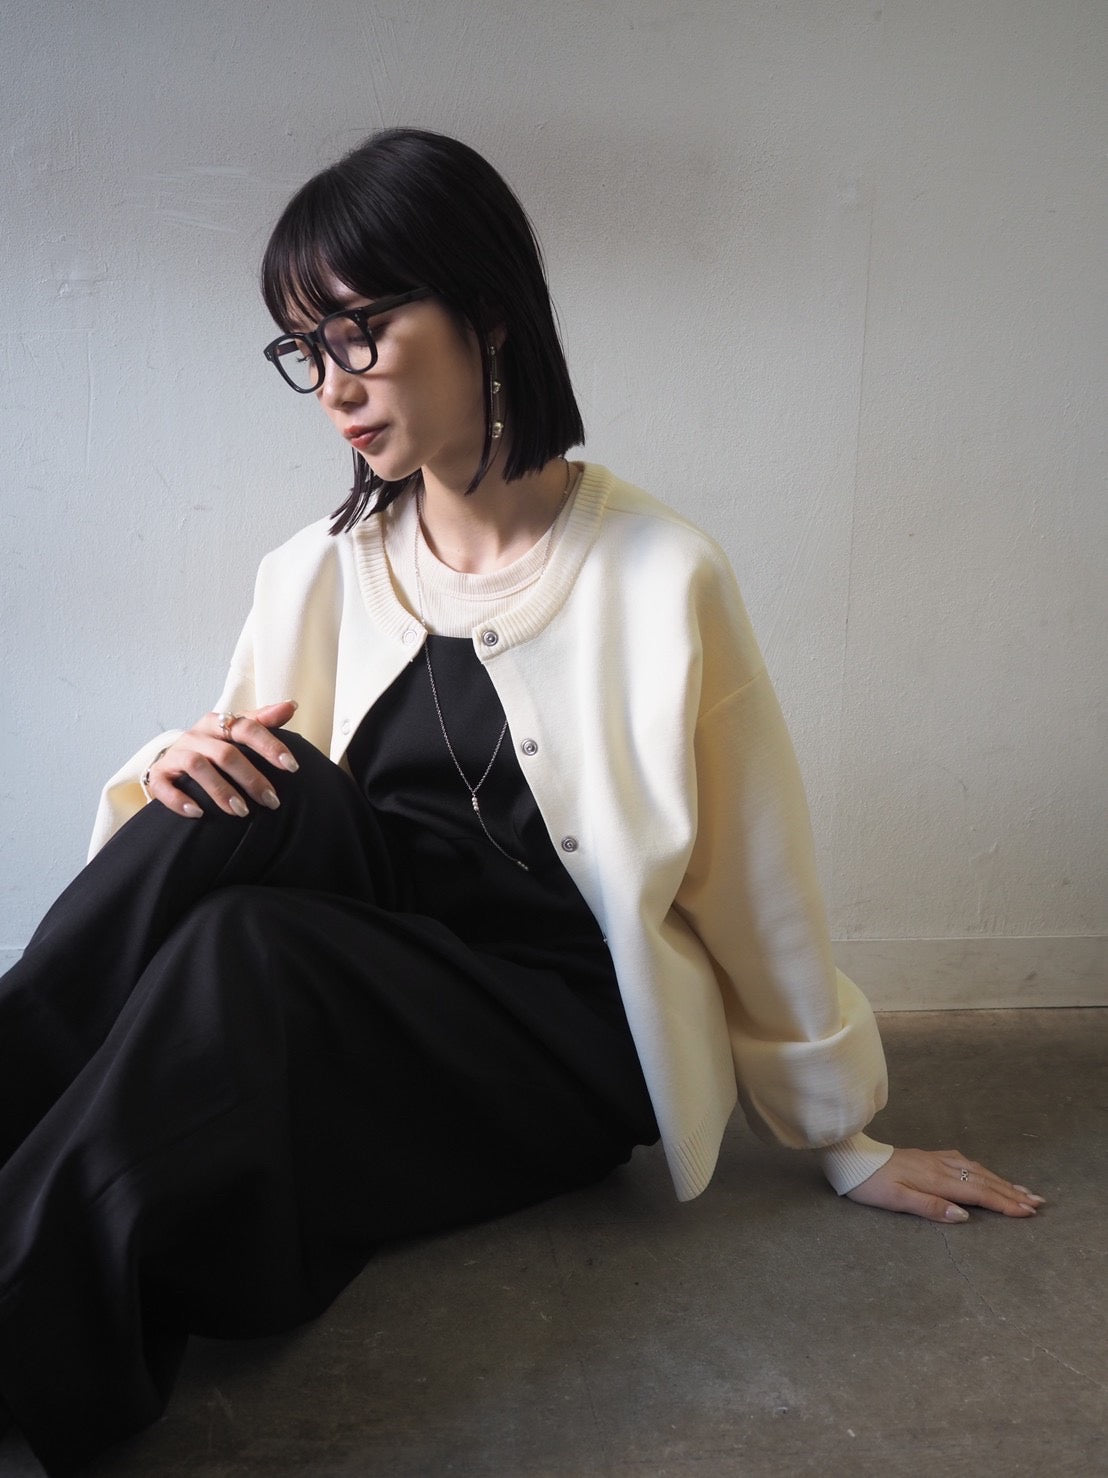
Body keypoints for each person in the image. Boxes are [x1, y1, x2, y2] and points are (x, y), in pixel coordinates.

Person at [0, 127, 1042, 1475]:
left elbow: (754, 869)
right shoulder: (317, 567)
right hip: (389, 957)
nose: (333, 384)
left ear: (487, 310)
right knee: (243, 790)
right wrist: (175, 761)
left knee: (248, 948)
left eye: (363, 331)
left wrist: (842, 1132)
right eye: (306, 348)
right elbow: (221, 800)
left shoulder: (660, 576)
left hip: (561, 1028)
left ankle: (25, 1321)